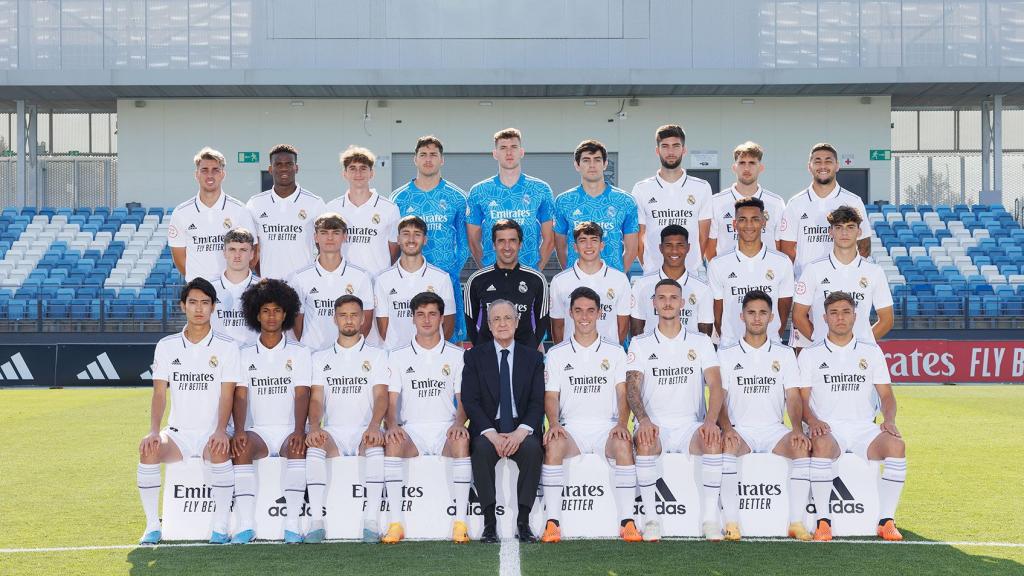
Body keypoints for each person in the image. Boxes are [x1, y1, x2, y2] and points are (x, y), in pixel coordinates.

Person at [136, 278, 240, 545]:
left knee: (218, 449)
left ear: (214, 307)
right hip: (178, 435)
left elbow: (228, 394)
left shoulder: (227, 347)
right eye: (193, 302)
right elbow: (160, 393)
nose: (199, 308)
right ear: (183, 306)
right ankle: (151, 525)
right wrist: (153, 431)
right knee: (147, 449)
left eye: (205, 303)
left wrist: (220, 431)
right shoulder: (167, 346)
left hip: (211, 433)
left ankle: (220, 526)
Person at [798, 291, 907, 542]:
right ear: (824, 318)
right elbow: (800, 400)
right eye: (834, 313)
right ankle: (823, 522)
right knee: (822, 444)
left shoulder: (871, 352)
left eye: (846, 312)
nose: (840, 318)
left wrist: (888, 420)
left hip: (863, 428)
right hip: (828, 428)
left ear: (855, 316)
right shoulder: (810, 354)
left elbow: (887, 397)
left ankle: (886, 520)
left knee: (896, 446)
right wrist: (812, 421)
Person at [625, 279, 724, 542]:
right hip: (655, 424)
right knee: (645, 443)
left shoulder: (701, 341)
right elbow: (632, 388)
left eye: (673, 297)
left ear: (682, 303)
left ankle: (710, 520)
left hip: (690, 424)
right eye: (662, 297)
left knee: (713, 441)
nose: (667, 302)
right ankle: (651, 520)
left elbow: (716, 385)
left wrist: (711, 421)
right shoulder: (640, 343)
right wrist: (643, 421)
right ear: (654, 303)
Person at [540, 287, 641, 543]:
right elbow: (551, 395)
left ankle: (627, 521)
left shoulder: (616, 351)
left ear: (599, 313)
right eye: (578, 311)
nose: (584, 316)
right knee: (552, 444)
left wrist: (621, 423)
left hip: (605, 427)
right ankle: (552, 522)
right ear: (570, 313)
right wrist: (553, 423)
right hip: (570, 427)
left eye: (590, 311)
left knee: (623, 443)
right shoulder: (556, 353)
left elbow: (622, 393)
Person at [716, 290, 812, 542]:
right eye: (751, 313)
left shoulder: (785, 354)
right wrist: (727, 429)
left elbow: (793, 397)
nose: (757, 318)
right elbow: (719, 399)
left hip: (773, 430)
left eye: (762, 313)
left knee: (801, 449)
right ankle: (731, 523)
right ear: (742, 316)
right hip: (741, 429)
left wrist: (797, 429)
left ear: (772, 318)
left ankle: (796, 522)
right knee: (725, 451)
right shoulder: (726, 354)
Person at [381, 292, 471, 544]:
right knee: (393, 441)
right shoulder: (397, 356)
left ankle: (460, 522)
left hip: (445, 428)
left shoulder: (456, 354)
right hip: (413, 431)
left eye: (432, 314)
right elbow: (391, 399)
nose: (427, 320)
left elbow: (463, 398)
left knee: (461, 441)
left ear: (442, 318)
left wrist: (458, 423)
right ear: (412, 319)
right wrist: (393, 424)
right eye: (420, 314)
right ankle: (396, 523)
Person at [230, 278, 311, 544]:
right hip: (259, 432)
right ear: (256, 314)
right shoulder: (243, 354)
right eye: (265, 310)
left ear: (286, 313)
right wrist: (240, 430)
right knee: (240, 448)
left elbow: (302, 394)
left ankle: (292, 525)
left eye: (277, 310)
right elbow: (240, 396)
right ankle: (244, 525)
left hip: (289, 430)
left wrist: (299, 431)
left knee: (299, 447)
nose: (272, 316)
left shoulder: (300, 353)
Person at [305, 295, 390, 543]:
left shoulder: (377, 355)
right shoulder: (320, 358)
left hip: (365, 430)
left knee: (375, 444)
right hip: (334, 432)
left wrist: (375, 426)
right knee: (315, 444)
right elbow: (316, 400)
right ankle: (316, 521)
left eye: (354, 315)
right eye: (343, 315)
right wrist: (313, 427)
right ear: (335, 319)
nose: (349, 320)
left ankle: (371, 520)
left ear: (363, 319)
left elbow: (382, 396)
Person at [460, 299, 546, 544]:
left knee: (531, 449)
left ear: (517, 322)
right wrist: (491, 433)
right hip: (488, 428)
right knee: (481, 450)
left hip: (521, 426)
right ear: (488, 324)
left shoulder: (533, 358)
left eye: (508, 318)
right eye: (496, 319)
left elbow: (537, 401)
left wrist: (521, 432)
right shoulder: (474, 357)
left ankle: (523, 520)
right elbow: (471, 400)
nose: (502, 323)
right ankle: (489, 522)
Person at [392, 136, 470, 343]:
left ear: (442, 160)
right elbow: (392, 241)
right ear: (414, 159)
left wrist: (452, 271)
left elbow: (465, 243)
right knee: (406, 337)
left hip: (444, 279)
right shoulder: (399, 198)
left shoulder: (457, 197)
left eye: (433, 155)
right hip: (408, 280)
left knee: (451, 340)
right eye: (423, 155)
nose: (428, 159)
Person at [792, 206, 894, 346]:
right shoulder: (813, 269)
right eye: (839, 227)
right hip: (823, 354)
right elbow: (798, 316)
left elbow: (887, 319)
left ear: (859, 232)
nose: (844, 232)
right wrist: (819, 342)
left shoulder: (874, 271)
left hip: (859, 357)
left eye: (850, 227)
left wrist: (862, 344)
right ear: (830, 232)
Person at [707, 197, 794, 346]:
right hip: (730, 345)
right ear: (735, 224)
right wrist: (728, 338)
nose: (748, 225)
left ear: (763, 222)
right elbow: (717, 309)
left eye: (754, 219)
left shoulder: (782, 262)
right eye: (742, 219)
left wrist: (773, 334)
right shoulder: (718, 264)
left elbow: (784, 306)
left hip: (771, 343)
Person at [778, 143, 873, 278]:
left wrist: (849, 274)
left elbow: (864, 246)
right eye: (817, 161)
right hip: (806, 284)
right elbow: (787, 249)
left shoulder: (854, 201)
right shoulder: (795, 203)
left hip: (843, 283)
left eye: (828, 161)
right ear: (809, 166)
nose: (823, 166)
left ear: (837, 166)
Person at [467, 128, 555, 271]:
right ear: (495, 154)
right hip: (492, 274)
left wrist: (537, 270)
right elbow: (473, 240)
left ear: (521, 152)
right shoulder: (479, 191)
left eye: (514, 147)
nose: (509, 152)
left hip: (529, 272)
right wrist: (486, 270)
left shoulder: (541, 189)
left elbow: (550, 238)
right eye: (503, 148)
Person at [631, 124, 712, 277]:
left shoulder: (702, 187)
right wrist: (649, 267)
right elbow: (638, 237)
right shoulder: (641, 189)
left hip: (690, 274)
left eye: (676, 146)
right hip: (653, 274)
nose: (671, 152)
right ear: (657, 150)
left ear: (684, 149)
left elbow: (704, 236)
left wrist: (692, 265)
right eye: (665, 146)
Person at [168, 147, 258, 282]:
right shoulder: (181, 212)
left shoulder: (239, 209)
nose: (210, 175)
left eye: (215, 170)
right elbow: (180, 260)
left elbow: (253, 252)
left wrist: (233, 281)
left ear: (223, 174)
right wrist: (199, 285)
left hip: (232, 290)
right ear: (196, 174)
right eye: (204, 170)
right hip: (199, 293)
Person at [290, 213, 374, 351]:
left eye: (335, 233)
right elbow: (297, 323)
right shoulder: (300, 277)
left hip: (349, 354)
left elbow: (366, 322)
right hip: (312, 354)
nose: (329, 238)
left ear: (345, 236)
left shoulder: (360, 276)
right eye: (324, 233)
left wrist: (348, 348)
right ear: (315, 237)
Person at [552, 140, 639, 272]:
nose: (592, 165)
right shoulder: (564, 201)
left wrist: (618, 275)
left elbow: (632, 249)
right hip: (576, 281)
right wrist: (571, 272)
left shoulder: (625, 201)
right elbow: (560, 245)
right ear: (577, 165)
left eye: (597, 160)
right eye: (586, 160)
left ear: (605, 164)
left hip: (611, 283)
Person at [373, 216, 455, 350]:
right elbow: (382, 329)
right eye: (406, 234)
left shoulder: (441, 278)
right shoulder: (383, 279)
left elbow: (448, 326)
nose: (411, 239)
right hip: (395, 357)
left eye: (417, 234)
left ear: (425, 240)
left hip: (431, 358)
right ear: (398, 240)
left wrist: (427, 349)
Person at [464, 220, 549, 348]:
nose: (507, 247)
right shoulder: (477, 280)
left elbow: (542, 320)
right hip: (488, 358)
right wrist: (482, 349)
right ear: (494, 245)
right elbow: (470, 321)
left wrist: (530, 349)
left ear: (520, 244)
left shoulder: (536, 279)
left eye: (512, 240)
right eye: (501, 241)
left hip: (524, 357)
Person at [246, 144, 326, 280]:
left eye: (289, 164)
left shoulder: (315, 203)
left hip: (304, 286)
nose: (284, 168)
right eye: (278, 164)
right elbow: (251, 248)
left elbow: (324, 247)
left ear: (296, 168)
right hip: (269, 285)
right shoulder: (255, 204)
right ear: (270, 169)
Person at [324, 146, 400, 278]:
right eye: (352, 168)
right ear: (345, 173)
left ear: (372, 173)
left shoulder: (389, 208)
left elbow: (394, 249)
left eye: (363, 168)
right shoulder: (332, 208)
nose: (358, 174)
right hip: (341, 281)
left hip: (377, 282)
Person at [549, 222, 630, 345]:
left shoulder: (620, 279)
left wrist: (611, 350)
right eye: (582, 240)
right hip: (572, 358)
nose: (588, 246)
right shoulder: (560, 281)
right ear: (575, 247)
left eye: (594, 240)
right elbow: (557, 326)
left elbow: (623, 326)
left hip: (607, 358)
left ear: (602, 245)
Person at [705, 142, 785, 259]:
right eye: (742, 163)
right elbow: (710, 246)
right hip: (728, 273)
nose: (747, 168)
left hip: (766, 273)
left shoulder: (776, 203)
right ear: (734, 167)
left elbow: (780, 245)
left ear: (761, 167)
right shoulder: (716, 202)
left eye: (752, 163)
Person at [629, 225, 713, 337]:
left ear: (688, 248)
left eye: (680, 245)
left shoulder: (702, 288)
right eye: (669, 245)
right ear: (660, 248)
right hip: (652, 353)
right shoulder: (642, 285)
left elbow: (705, 335)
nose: (674, 251)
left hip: (689, 353)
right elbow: (636, 330)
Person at [211, 228, 259, 345]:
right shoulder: (209, 288)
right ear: (224, 252)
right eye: (232, 249)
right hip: (218, 357)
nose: (237, 255)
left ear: (252, 254)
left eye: (243, 250)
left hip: (252, 357)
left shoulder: (264, 288)